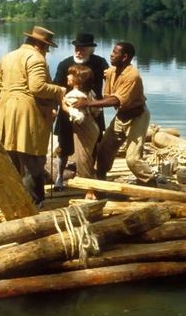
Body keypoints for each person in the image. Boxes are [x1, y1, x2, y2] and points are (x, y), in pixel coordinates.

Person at [0, 26, 66, 209]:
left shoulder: (7, 57)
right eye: (47, 47)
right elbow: (37, 87)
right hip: (26, 115)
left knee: (11, 158)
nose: (47, 51)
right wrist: (59, 90)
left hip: (4, 111)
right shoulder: (36, 58)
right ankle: (34, 205)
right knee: (33, 160)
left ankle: (12, 200)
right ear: (40, 44)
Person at [73, 42, 161, 186]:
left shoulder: (132, 76)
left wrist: (89, 104)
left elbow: (115, 100)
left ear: (125, 57)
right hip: (122, 116)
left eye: (115, 52)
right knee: (104, 152)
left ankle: (150, 183)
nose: (111, 54)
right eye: (112, 51)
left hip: (137, 117)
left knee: (132, 158)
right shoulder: (112, 71)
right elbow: (101, 80)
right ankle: (101, 183)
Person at [53, 32, 109, 191]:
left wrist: (109, 97)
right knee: (63, 146)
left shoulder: (99, 63)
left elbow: (111, 80)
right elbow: (56, 87)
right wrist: (54, 108)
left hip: (93, 110)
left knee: (92, 146)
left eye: (83, 49)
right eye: (77, 48)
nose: (78, 51)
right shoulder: (65, 64)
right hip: (68, 111)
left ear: (90, 49)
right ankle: (59, 178)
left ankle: (90, 177)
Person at [61, 65, 101, 199]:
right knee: (88, 158)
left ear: (78, 80)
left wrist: (64, 107)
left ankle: (89, 193)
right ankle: (94, 189)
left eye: (71, 75)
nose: (67, 77)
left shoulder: (73, 95)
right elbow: (97, 110)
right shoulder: (89, 92)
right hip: (93, 126)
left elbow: (78, 118)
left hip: (84, 128)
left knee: (82, 159)